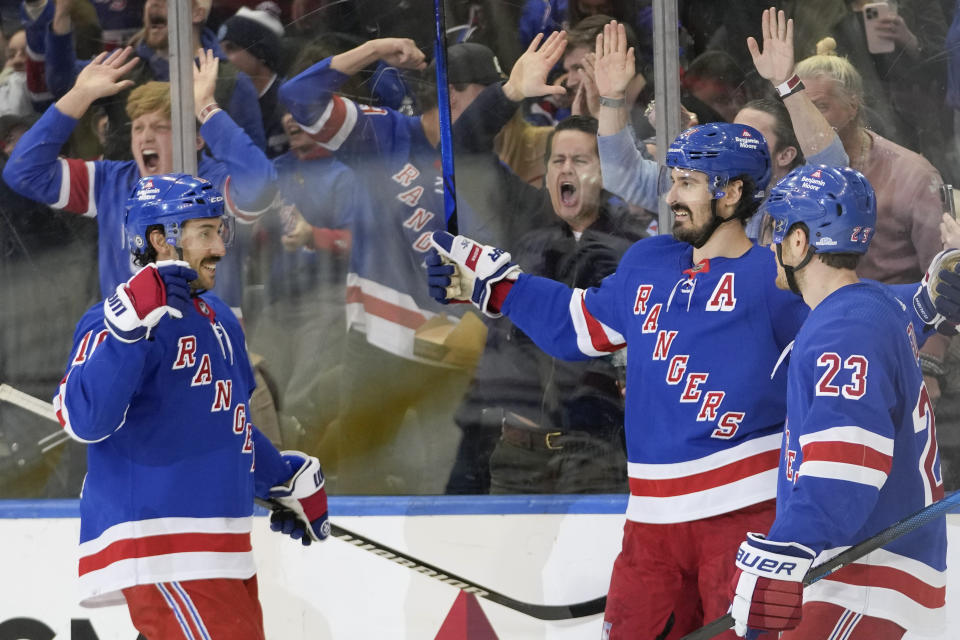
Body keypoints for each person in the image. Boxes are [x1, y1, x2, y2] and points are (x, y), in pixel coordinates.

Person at [426, 118, 808, 638]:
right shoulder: (649, 262)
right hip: (651, 522)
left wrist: (923, 305)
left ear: (732, 192)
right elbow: (577, 325)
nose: (672, 195)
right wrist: (495, 288)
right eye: (673, 179)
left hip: (743, 518)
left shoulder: (774, 277)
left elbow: (848, 321)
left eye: (688, 183)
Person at [53, 173, 329, 638]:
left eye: (219, 231)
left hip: (222, 547)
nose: (219, 247)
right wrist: (129, 328)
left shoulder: (219, 317)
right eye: (204, 232)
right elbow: (85, 419)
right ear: (160, 239)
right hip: (165, 545)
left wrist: (282, 476)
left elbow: (229, 426)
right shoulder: (113, 320)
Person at [730, 164, 947, 639]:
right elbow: (911, 306)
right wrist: (934, 293)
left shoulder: (845, 332)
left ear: (801, 243)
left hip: (868, 577)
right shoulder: (869, 308)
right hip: (869, 575)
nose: (771, 245)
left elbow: (847, 467)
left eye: (778, 232)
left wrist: (787, 548)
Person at [446, 115, 644, 495]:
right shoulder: (523, 236)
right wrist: (460, 286)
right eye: (557, 160)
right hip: (517, 449)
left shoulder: (635, 251)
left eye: (580, 160)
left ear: (606, 174)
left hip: (597, 452)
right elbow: (463, 146)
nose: (565, 169)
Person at [3, 47, 277, 312]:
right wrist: (79, 95)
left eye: (160, 127)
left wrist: (205, 108)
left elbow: (261, 185)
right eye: (138, 128)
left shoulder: (213, 183)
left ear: (195, 139)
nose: (145, 137)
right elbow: (23, 171)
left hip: (204, 350)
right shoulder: (110, 181)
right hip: (132, 349)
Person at [217, 3, 289, 157]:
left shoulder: (289, 101)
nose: (222, 58)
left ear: (261, 51)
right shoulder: (225, 101)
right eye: (220, 50)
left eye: (231, 48)